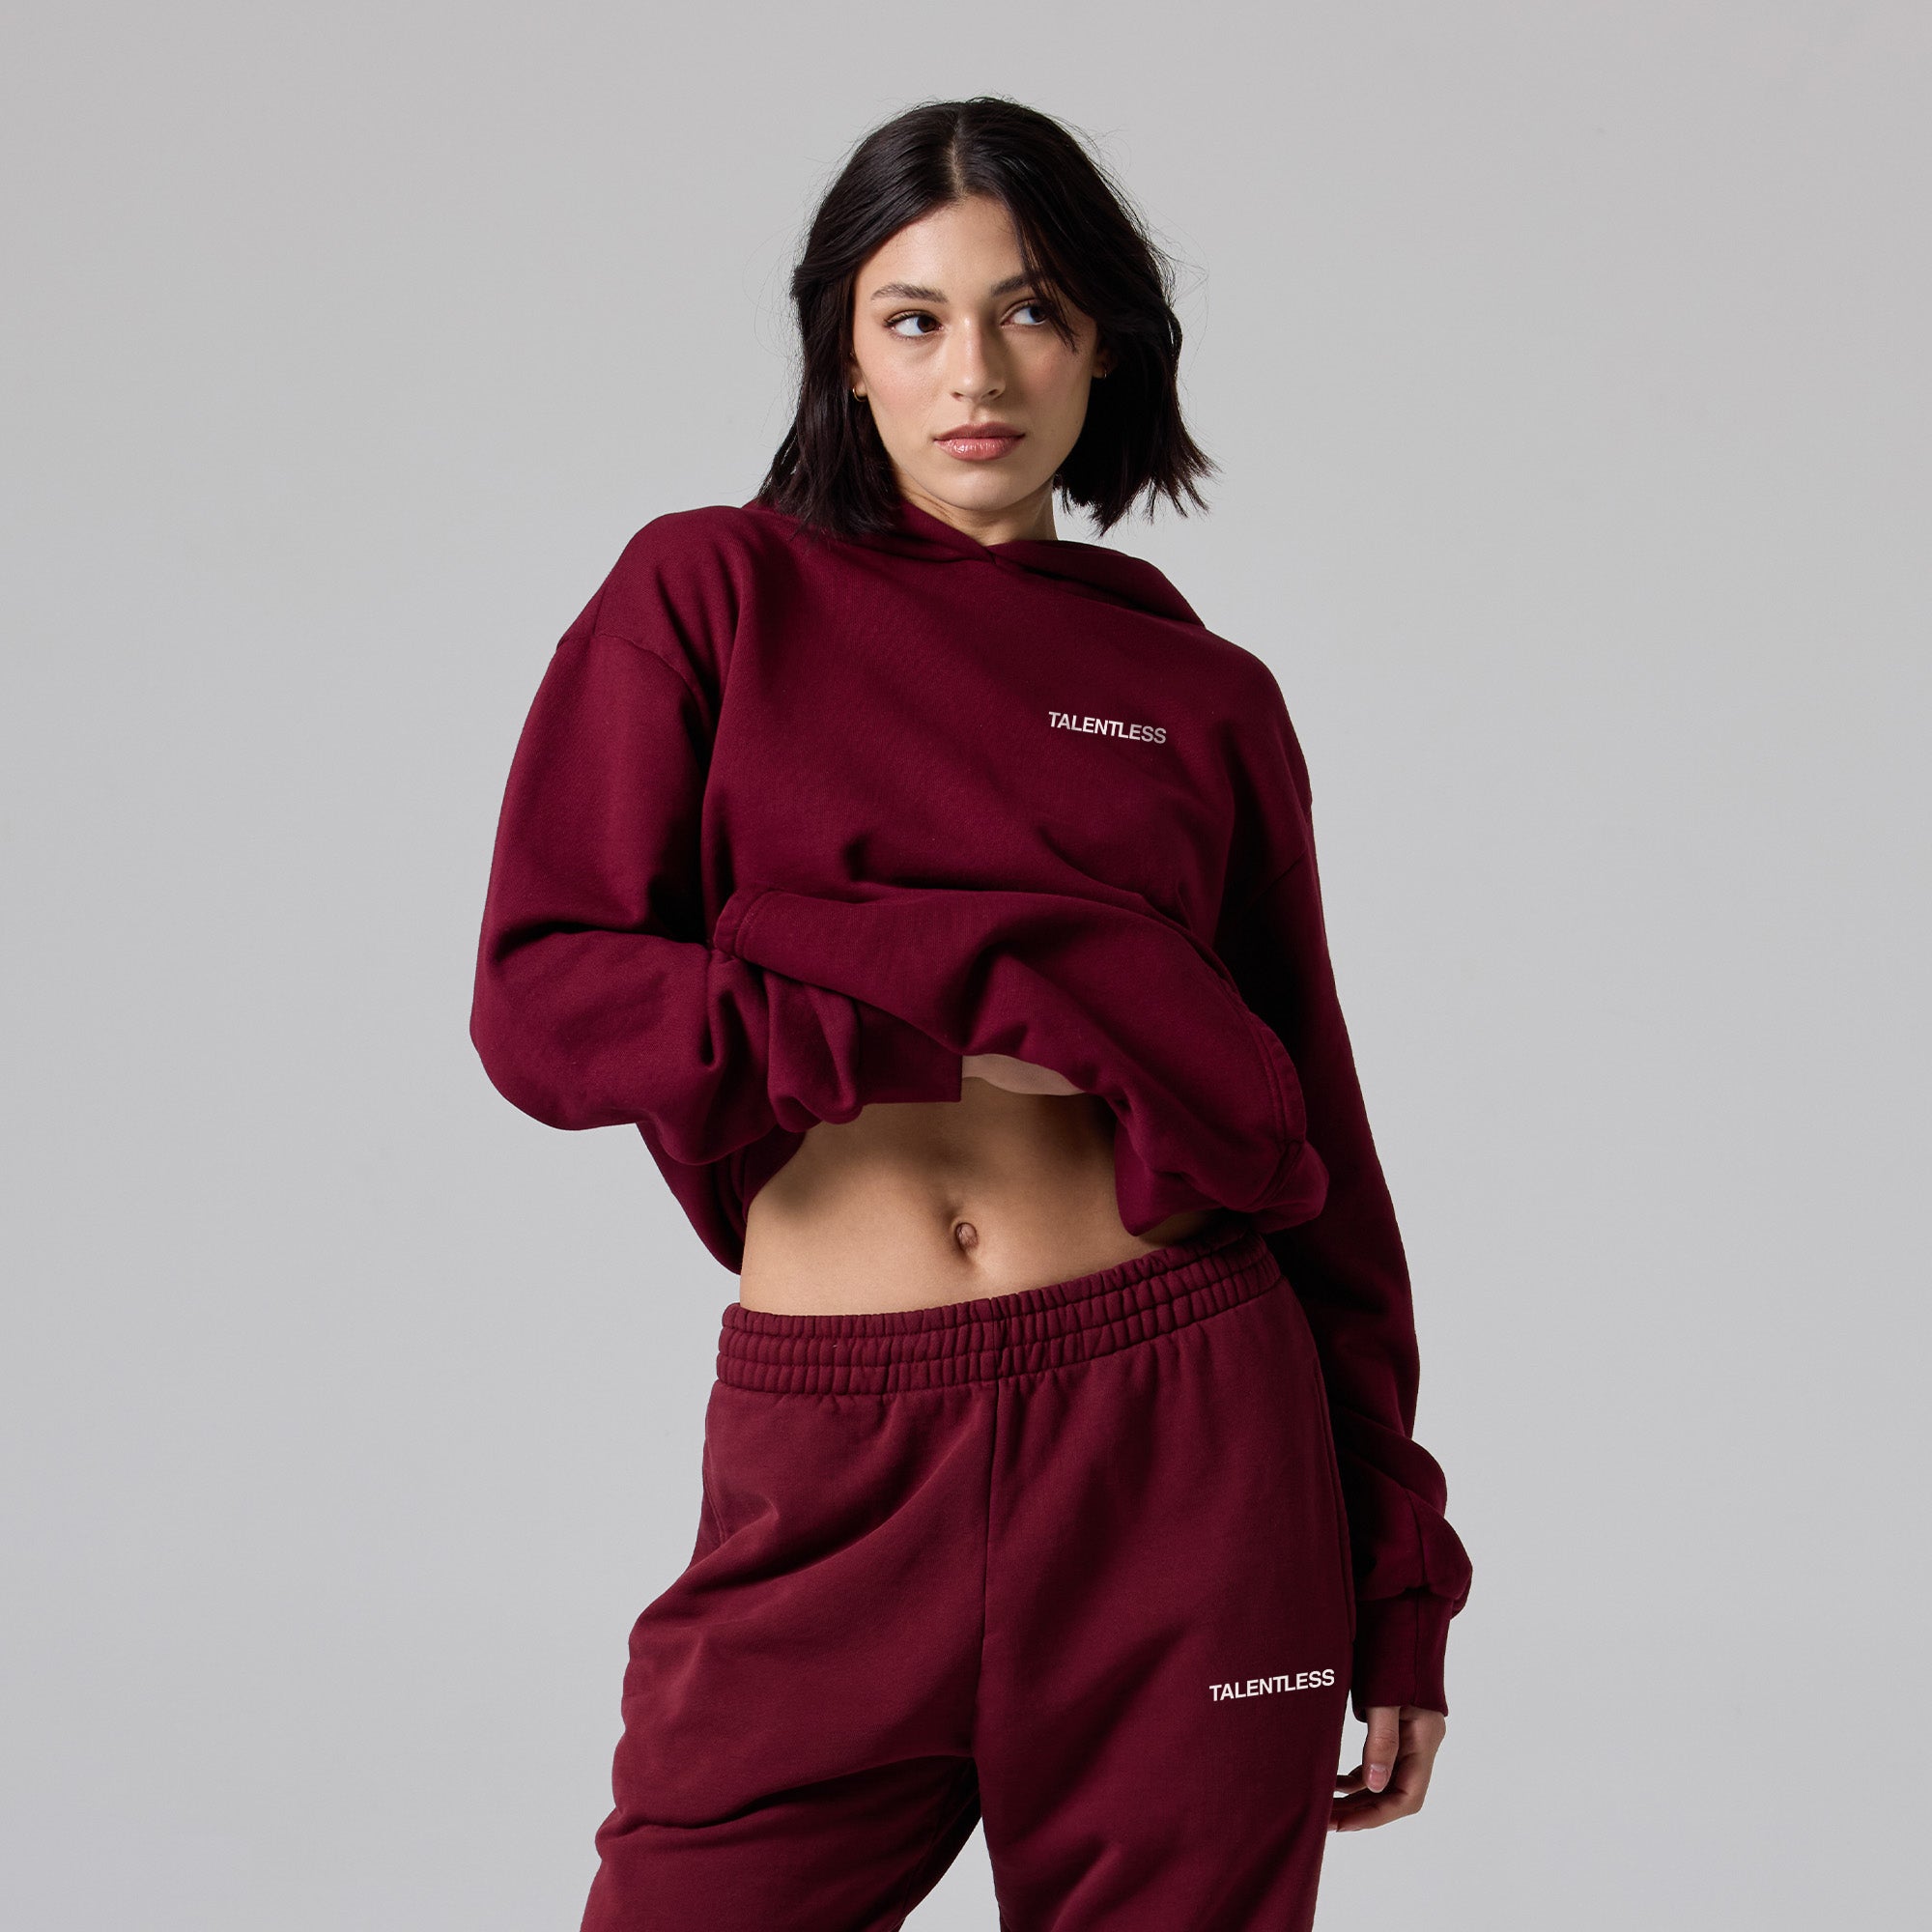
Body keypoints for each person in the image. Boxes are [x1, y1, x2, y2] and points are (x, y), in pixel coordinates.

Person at [470, 95, 1472, 1932]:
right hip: (839, 1453)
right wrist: (936, 1029)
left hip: (1188, 1434)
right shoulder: (711, 592)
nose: (977, 371)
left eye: (1031, 312)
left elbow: (1316, 1135)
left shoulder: (1200, 695)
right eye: (915, 317)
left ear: (1107, 345)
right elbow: (547, 1001)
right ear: (844, 352)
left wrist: (1398, 1573)